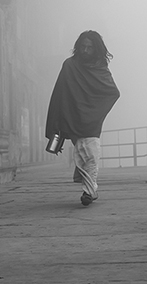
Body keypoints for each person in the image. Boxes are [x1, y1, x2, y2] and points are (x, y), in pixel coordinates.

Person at [45, 30, 120, 206]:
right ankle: (89, 190)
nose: (85, 51)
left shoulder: (100, 67)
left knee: (91, 154)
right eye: (83, 47)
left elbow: (112, 92)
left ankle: (89, 191)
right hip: (74, 116)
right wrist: (61, 118)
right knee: (82, 153)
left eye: (89, 47)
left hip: (92, 119)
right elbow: (60, 94)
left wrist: (95, 110)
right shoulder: (69, 65)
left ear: (96, 49)